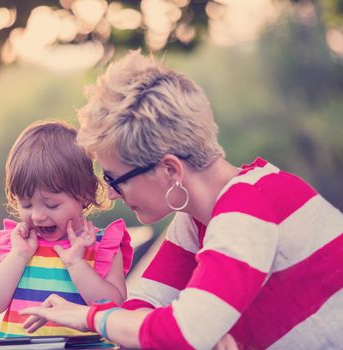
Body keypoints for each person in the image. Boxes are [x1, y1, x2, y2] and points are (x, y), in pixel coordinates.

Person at [20, 51, 343, 349]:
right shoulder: (196, 219)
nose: (113, 194)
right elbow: (142, 305)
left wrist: (90, 318)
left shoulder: (249, 207)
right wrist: (113, 322)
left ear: (170, 170)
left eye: (115, 179)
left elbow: (185, 333)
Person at [0, 120, 133, 338]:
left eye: (51, 205)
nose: (37, 215)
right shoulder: (19, 245)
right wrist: (19, 256)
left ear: (85, 194)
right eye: (26, 204)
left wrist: (76, 264)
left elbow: (113, 306)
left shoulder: (102, 245)